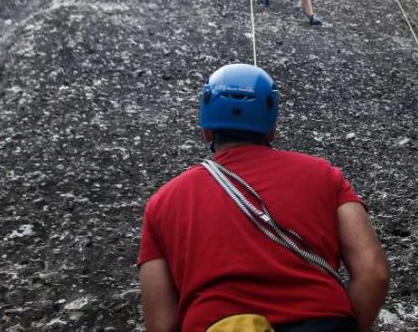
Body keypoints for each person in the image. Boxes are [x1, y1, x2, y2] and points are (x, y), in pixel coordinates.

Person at [138, 64, 389, 331]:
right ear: (271, 129)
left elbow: (162, 324)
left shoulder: (162, 203)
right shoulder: (324, 175)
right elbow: (373, 272)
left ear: (206, 130)